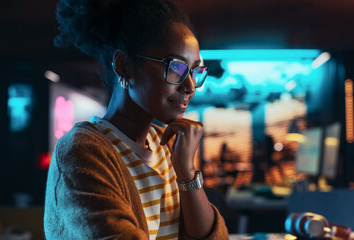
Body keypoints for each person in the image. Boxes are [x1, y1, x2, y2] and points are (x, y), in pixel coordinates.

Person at [43, 0, 229, 239]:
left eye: (194, 71)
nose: (190, 86)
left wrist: (186, 170)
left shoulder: (168, 147)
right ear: (124, 66)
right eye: (176, 68)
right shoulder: (82, 152)